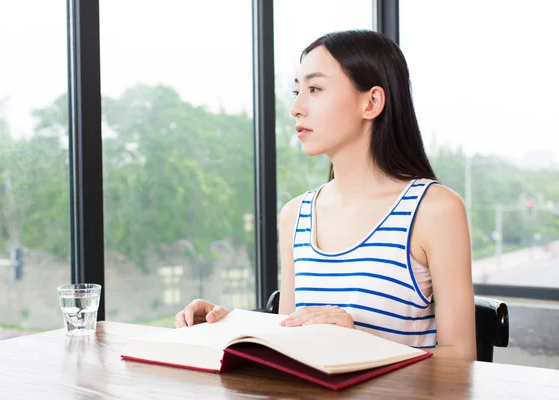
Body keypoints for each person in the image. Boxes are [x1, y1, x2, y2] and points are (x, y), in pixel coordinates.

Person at [175, 29, 476, 361]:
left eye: (315, 89)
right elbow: (288, 339)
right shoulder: (295, 215)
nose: (296, 108)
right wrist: (224, 326)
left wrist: (359, 343)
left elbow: (461, 359)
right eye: (297, 90)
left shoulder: (434, 210)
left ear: (371, 102)